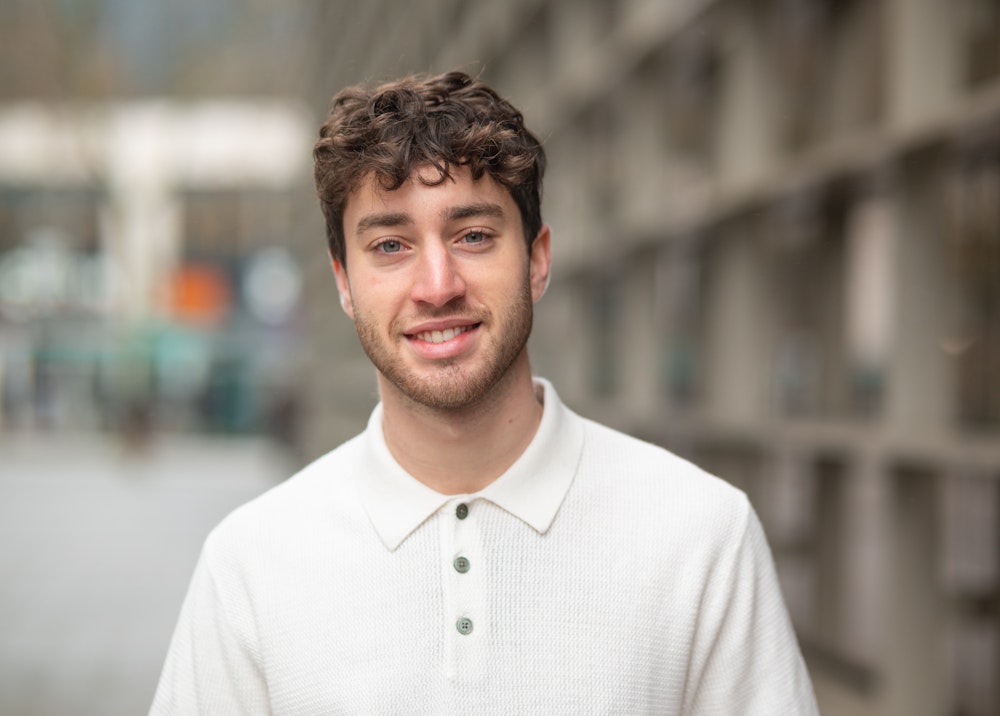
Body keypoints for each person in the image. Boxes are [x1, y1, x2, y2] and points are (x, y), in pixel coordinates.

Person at [150, 70, 819, 715]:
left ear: (536, 259)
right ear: (343, 283)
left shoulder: (701, 536)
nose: (437, 285)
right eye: (390, 245)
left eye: (473, 236)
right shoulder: (251, 563)